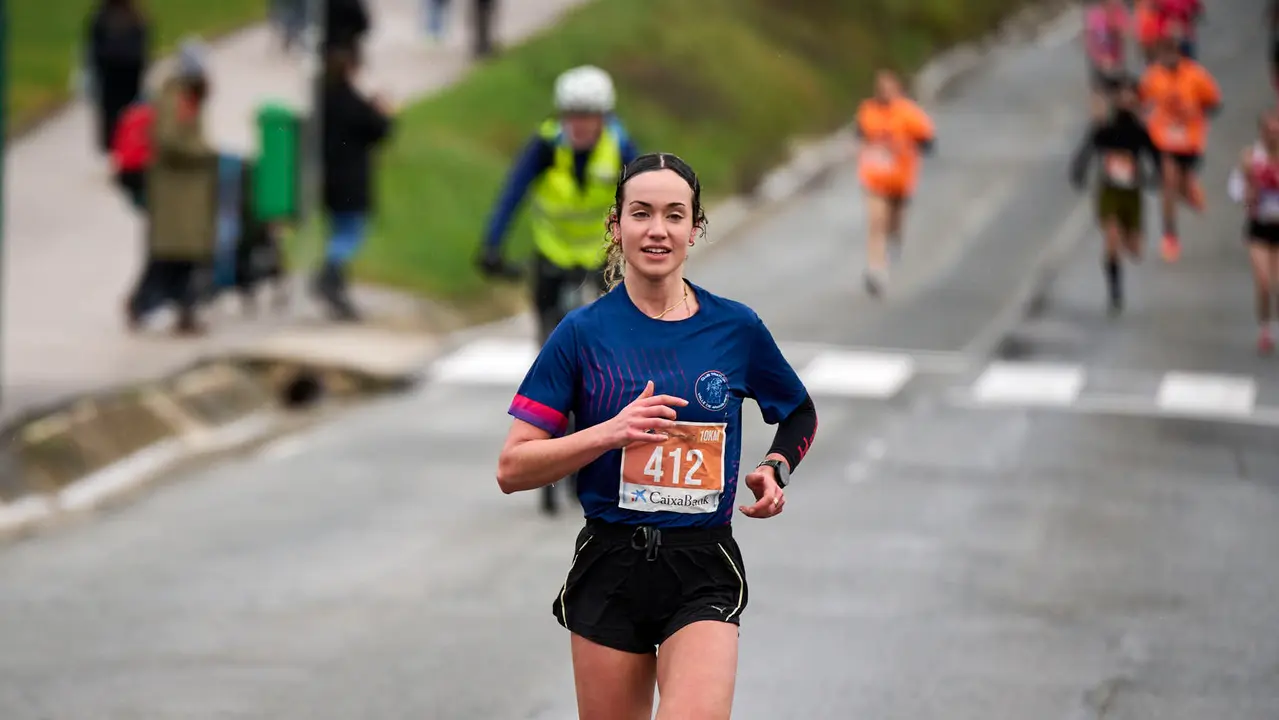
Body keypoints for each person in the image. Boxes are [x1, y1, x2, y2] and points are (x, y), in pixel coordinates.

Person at [494, 152, 819, 720]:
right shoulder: (581, 334)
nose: (657, 229)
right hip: (610, 562)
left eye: (675, 215)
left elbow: (798, 413)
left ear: (695, 230)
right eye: (641, 213)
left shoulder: (735, 328)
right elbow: (512, 468)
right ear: (615, 227)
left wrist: (774, 467)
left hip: (701, 566)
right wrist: (608, 434)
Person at [478, 65, 640, 514]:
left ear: (604, 116)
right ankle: (549, 450)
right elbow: (511, 194)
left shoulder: (620, 146)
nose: (580, 125)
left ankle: (590, 452)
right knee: (551, 355)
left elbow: (647, 194)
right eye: (572, 115)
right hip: (551, 258)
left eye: (588, 116)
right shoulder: (546, 146)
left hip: (598, 262)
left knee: (604, 360)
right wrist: (491, 244)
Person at [126, 40, 218, 335]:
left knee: (183, 257)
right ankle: (143, 304)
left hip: (185, 191)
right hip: (176, 192)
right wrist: (201, 152)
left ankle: (183, 311)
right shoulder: (175, 98)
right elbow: (168, 139)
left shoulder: (186, 98)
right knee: (171, 256)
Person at [315, 43, 395, 321]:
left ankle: (336, 284)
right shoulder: (350, 101)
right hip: (351, 181)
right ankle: (328, 274)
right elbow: (379, 128)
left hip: (328, 180)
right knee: (351, 234)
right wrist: (383, 109)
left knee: (339, 230)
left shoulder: (323, 99)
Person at [1071, 76, 1163, 315]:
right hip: (1110, 189)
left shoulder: (1139, 129)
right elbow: (1088, 148)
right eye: (1121, 95)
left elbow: (1155, 155)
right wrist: (1079, 171)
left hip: (1131, 191)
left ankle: (1125, 237)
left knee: (1135, 250)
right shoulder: (1105, 126)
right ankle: (1115, 292)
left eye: (1129, 95)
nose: (1125, 99)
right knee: (1111, 239)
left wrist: (1156, 176)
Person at [1138, 34, 1221, 262]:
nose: (1169, 57)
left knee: (1181, 184)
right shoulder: (1152, 77)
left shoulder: (1196, 75)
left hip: (1190, 139)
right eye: (1164, 52)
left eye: (1172, 51)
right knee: (1168, 183)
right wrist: (1146, 116)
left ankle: (1190, 190)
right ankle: (1170, 235)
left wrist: (1196, 113)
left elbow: (1213, 102)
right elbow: (1141, 101)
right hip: (1164, 139)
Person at [854, 68, 935, 297]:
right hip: (875, 177)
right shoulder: (867, 111)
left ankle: (893, 245)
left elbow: (927, 140)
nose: (884, 92)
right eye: (881, 88)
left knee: (894, 224)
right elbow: (859, 136)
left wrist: (907, 146)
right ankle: (876, 271)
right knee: (876, 222)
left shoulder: (909, 114)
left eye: (889, 87)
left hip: (900, 180)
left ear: (898, 88)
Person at [1233, 111, 1279, 354]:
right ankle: (1265, 329)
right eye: (1269, 131)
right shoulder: (1251, 158)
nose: (1273, 136)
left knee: (1277, 284)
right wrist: (1247, 187)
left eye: (1277, 131)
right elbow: (1235, 191)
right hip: (1259, 228)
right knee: (1263, 282)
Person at [86, 0, 150, 157]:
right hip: (126, 75)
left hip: (114, 75)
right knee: (125, 115)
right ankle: (123, 148)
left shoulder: (103, 17)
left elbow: (94, 49)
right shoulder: (136, 17)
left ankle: (118, 148)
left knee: (115, 115)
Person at [1084, 0, 1130, 102]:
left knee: (1122, 96)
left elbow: (1124, 32)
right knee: (1102, 97)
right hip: (1099, 65)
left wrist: (1112, 16)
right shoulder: (1093, 14)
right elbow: (1090, 41)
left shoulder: (1117, 10)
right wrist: (1100, 59)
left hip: (1116, 63)